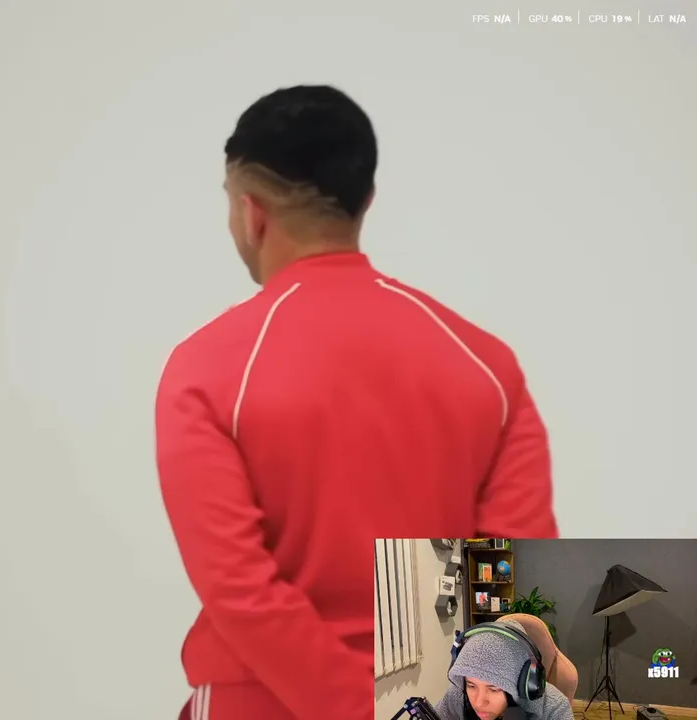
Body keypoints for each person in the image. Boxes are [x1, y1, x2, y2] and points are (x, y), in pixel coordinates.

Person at [153, 85, 560, 719]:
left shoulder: (207, 368)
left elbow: (242, 592)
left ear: (251, 212)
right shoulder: (486, 366)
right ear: (365, 200)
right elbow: (511, 572)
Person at [433, 619, 575, 720]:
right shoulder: (457, 695)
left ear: (522, 683)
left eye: (493, 689)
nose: (479, 702)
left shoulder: (554, 707)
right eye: (471, 685)